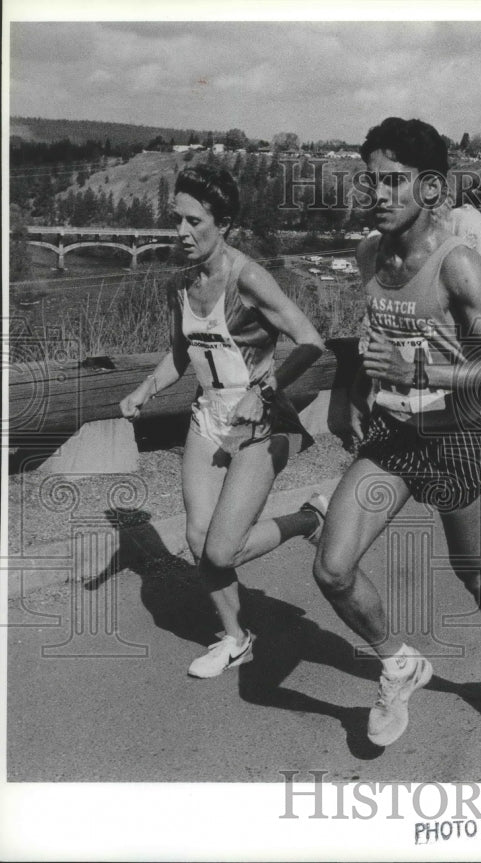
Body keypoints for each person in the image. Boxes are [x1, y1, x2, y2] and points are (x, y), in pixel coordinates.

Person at [310, 117, 481, 747]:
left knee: (477, 573)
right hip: (391, 437)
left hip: (453, 436)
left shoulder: (459, 266)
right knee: (332, 570)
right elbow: (375, 332)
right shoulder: (369, 255)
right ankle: (397, 663)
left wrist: (420, 369)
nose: (377, 194)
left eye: (395, 182)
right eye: (371, 181)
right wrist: (351, 391)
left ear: (431, 190)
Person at [119, 165, 325, 678]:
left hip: (259, 422)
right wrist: (145, 388)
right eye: (176, 221)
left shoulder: (247, 277)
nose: (182, 233)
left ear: (224, 223)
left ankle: (309, 519)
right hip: (207, 418)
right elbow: (180, 352)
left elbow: (311, 340)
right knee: (196, 539)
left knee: (222, 549)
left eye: (194, 222)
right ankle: (236, 637)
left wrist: (263, 390)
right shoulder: (186, 282)